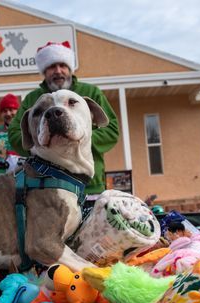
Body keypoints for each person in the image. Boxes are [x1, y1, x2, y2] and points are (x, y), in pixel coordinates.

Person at [8, 41, 120, 201]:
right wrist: (40, 146)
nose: (58, 71)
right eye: (52, 66)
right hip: (46, 186)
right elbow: (14, 134)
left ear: (70, 68)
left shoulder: (90, 92)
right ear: (44, 71)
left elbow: (111, 129)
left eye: (62, 65)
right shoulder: (33, 99)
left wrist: (77, 135)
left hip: (89, 184)